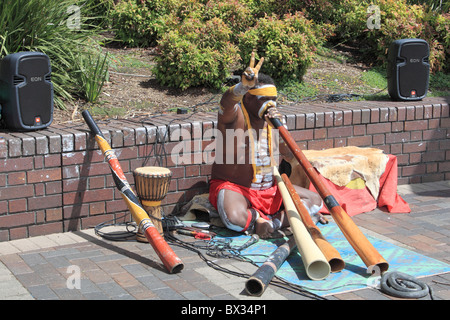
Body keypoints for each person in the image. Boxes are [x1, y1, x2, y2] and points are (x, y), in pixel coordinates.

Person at [208, 52, 323, 238]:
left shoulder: (274, 122)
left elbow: (289, 154)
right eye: (264, 100)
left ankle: (268, 222)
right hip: (237, 188)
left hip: (270, 189)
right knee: (234, 219)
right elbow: (226, 103)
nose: (270, 105)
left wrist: (280, 129)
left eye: (274, 100)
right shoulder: (234, 116)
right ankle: (263, 219)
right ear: (248, 98)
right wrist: (241, 87)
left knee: (316, 201)